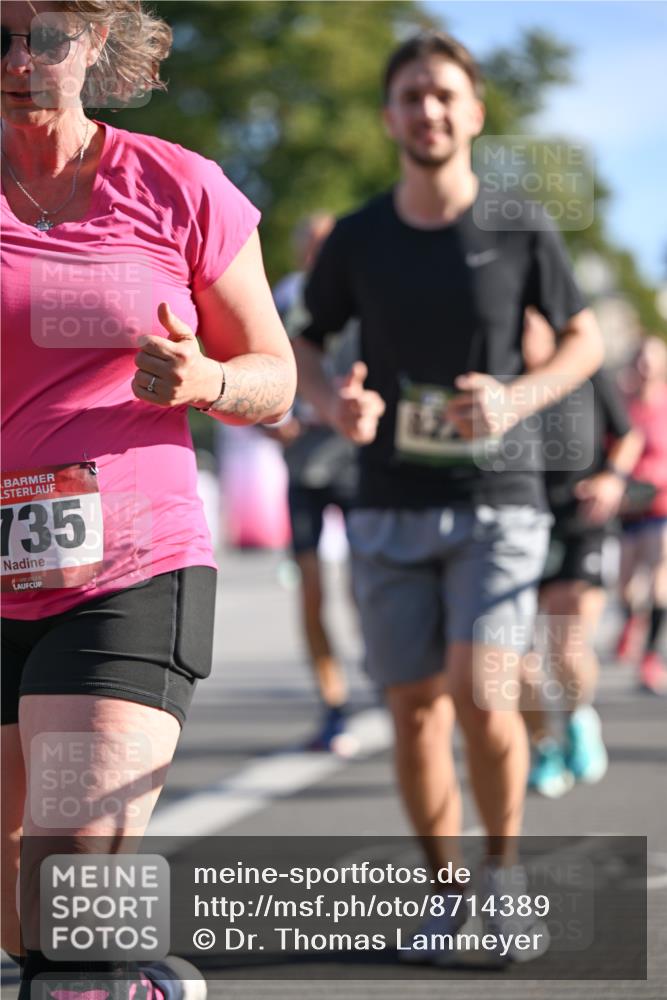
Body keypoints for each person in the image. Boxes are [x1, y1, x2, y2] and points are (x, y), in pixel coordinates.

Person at [0, 4, 296, 1000]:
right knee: (23, 912)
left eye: (41, 35)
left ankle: (96, 977)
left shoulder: (178, 184)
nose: (17, 59)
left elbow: (274, 376)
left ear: (91, 42)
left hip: (129, 561)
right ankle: (132, 980)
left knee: (71, 866)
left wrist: (207, 382)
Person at [293, 31, 603, 967]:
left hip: (499, 501)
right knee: (415, 712)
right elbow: (304, 339)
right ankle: (446, 893)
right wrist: (331, 401)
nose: (427, 110)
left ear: (470, 112)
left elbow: (583, 340)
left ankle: (503, 876)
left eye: (443, 95)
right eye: (410, 96)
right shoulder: (356, 237)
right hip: (386, 499)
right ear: (389, 117)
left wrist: (516, 396)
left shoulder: (518, 227)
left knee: (480, 692)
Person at [520, 308, 643, 797]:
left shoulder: (587, 371)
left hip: (582, 522)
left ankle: (577, 718)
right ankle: (545, 746)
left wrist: (612, 478)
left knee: (567, 647)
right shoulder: (498, 376)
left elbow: (627, 436)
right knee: (516, 659)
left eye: (531, 321)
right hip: (520, 525)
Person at [271, 214, 360, 754]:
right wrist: (272, 420)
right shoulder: (285, 297)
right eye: (315, 246)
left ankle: (396, 685)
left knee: (366, 588)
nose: (323, 254)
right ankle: (333, 706)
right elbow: (253, 356)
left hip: (357, 463)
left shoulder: (366, 291)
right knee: (310, 591)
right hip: (304, 467)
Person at [616, 336, 667, 693]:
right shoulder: (623, 405)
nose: (646, 366)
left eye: (652, 359)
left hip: (661, 505)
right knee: (625, 585)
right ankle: (631, 621)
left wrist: (657, 475)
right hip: (627, 506)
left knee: (659, 582)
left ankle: (650, 657)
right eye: (641, 359)